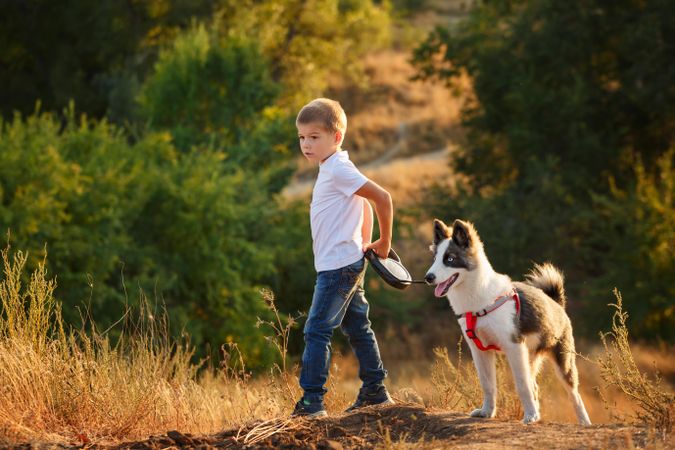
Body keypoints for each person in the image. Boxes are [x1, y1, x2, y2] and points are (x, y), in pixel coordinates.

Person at [291, 98, 395, 417]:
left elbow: (382, 198)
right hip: (345, 261)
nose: (306, 144)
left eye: (314, 137)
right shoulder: (333, 169)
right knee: (358, 327)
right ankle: (375, 391)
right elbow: (362, 204)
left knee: (316, 330)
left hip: (337, 267)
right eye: (302, 138)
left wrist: (383, 242)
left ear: (336, 137)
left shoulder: (337, 168)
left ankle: (312, 403)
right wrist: (363, 240)